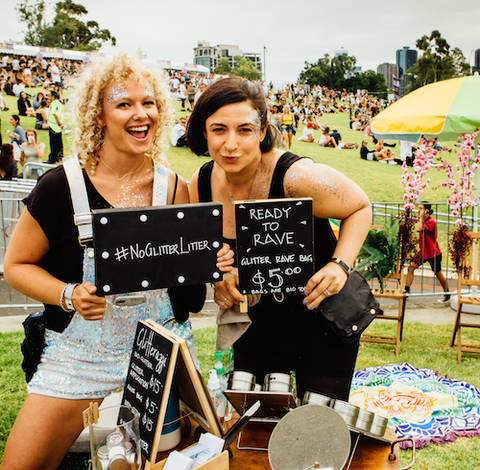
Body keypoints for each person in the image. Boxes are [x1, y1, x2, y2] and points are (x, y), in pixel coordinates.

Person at [0, 52, 233, 470]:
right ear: (99, 114)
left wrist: (210, 261)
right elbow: (16, 265)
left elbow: (188, 290)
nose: (140, 114)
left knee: (185, 463)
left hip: (161, 353)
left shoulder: (173, 187)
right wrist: (67, 294)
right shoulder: (60, 185)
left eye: (149, 102)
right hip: (79, 356)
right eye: (123, 103)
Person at [186, 77, 372, 402]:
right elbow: (208, 253)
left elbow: (359, 206)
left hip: (321, 325)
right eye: (219, 129)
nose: (231, 144)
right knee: (255, 433)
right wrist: (219, 276)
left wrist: (340, 265)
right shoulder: (200, 185)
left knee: (316, 437)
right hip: (256, 331)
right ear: (204, 131)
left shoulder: (296, 177)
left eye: (244, 130)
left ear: (261, 131)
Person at [404, 202, 450, 303]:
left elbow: (419, 228)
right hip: (423, 252)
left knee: (438, 273)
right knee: (411, 267)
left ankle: (447, 292)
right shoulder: (422, 220)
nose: (418, 210)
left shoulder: (431, 222)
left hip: (433, 253)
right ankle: (406, 290)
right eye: (418, 208)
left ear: (427, 211)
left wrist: (420, 217)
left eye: (421, 208)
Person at [46, 90, 66, 163]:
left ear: (53, 96)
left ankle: (53, 158)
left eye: (49, 95)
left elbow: (55, 114)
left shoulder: (54, 104)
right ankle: (59, 156)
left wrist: (59, 123)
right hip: (58, 126)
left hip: (54, 125)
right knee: (59, 142)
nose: (48, 97)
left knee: (53, 142)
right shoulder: (59, 103)